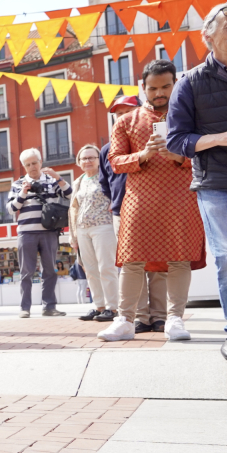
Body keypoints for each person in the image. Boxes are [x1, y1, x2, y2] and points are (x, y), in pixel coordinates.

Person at [99, 59, 202, 342]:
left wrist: (179, 157)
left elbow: (206, 156)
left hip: (181, 198)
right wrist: (143, 155)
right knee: (132, 260)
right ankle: (124, 321)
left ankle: (175, 320)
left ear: (175, 84)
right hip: (138, 201)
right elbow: (115, 162)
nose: (159, 93)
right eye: (153, 88)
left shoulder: (190, 117)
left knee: (179, 260)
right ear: (143, 88)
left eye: (166, 86)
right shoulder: (126, 121)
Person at [167, 0, 227, 362]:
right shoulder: (189, 83)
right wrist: (222, 137)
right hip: (217, 183)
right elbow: (176, 141)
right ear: (207, 36)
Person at [100, 95, 167, 332]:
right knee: (132, 265)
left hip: (156, 207)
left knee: (159, 264)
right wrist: (116, 204)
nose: (121, 117)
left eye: (126, 111)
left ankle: (160, 316)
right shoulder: (107, 149)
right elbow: (105, 183)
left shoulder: (159, 140)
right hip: (122, 211)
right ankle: (140, 317)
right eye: (117, 113)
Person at [7, 148, 72, 318]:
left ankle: (49, 307)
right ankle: (25, 308)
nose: (32, 167)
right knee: (26, 272)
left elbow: (70, 195)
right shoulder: (17, 184)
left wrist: (58, 178)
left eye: (34, 163)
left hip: (49, 232)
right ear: (24, 166)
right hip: (26, 233)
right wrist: (23, 193)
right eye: (27, 164)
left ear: (40, 162)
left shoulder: (52, 181)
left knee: (50, 270)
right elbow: (11, 208)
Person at [69, 144, 118, 322]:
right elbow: (73, 209)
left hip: (103, 226)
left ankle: (113, 307)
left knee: (107, 267)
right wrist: (73, 236)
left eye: (92, 157)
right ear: (79, 162)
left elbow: (117, 194)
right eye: (84, 158)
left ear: (99, 160)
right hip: (82, 229)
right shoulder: (79, 181)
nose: (87, 161)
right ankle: (99, 306)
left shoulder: (106, 176)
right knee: (90, 270)